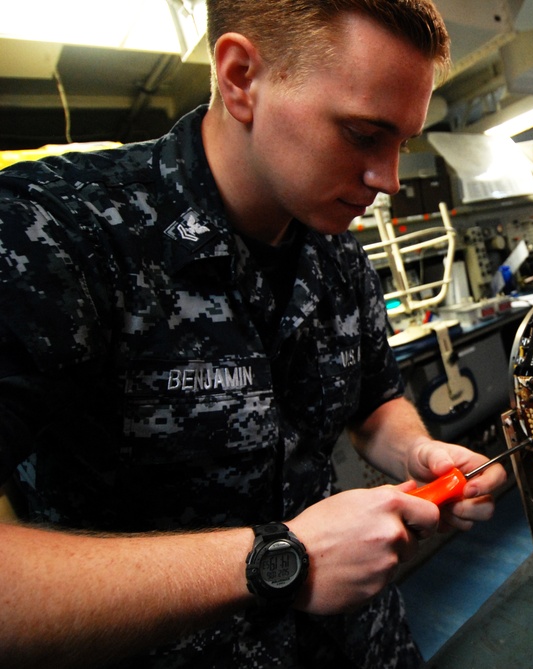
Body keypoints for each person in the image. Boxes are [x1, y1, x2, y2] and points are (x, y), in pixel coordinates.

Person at [0, 1, 506, 668]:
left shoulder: (337, 254)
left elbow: (373, 399)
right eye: (361, 134)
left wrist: (415, 450)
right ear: (240, 77)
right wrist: (277, 560)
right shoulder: (56, 236)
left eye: (402, 144)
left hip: (365, 646)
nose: (387, 180)